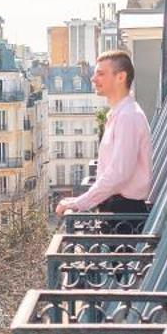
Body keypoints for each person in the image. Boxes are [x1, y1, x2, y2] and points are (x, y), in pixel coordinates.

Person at [55, 50, 152, 229]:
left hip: (125, 216)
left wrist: (80, 202)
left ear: (121, 77)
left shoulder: (128, 117)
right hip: (118, 212)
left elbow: (119, 173)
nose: (93, 79)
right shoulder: (120, 115)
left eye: (100, 73)